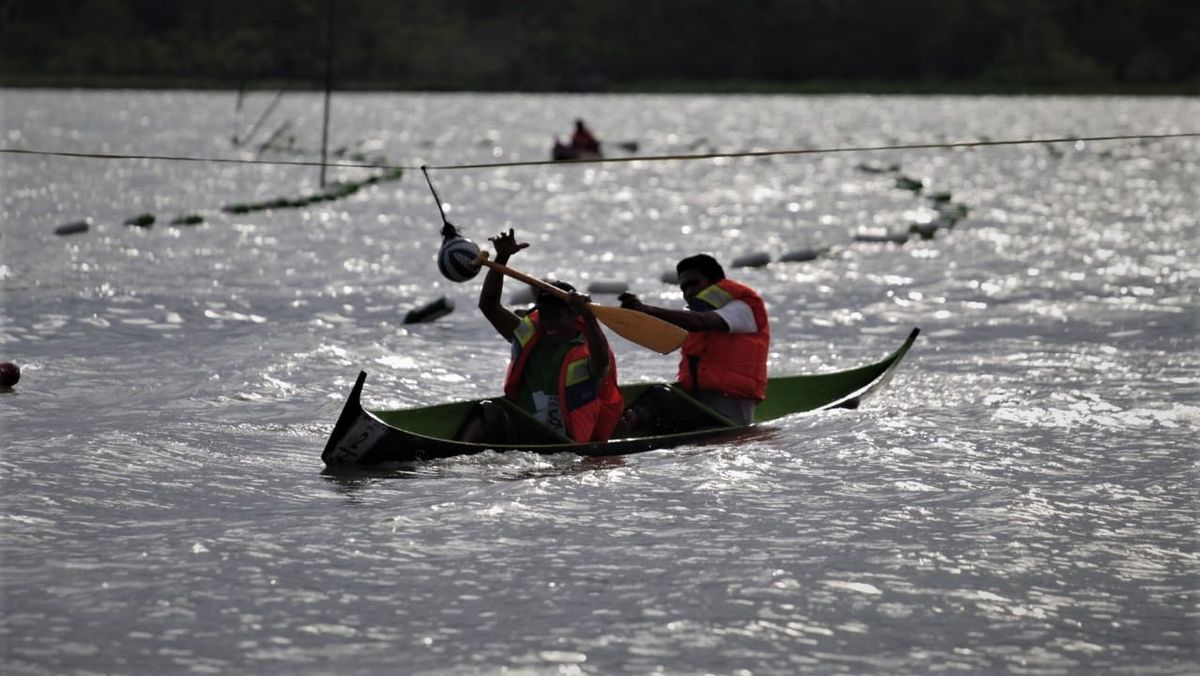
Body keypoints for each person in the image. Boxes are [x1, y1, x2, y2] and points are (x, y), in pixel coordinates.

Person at [458, 228, 623, 444]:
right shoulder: (531, 334)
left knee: (491, 411)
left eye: (555, 316)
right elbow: (488, 305)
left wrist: (589, 316)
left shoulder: (589, 349)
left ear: (574, 315)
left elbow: (602, 362)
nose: (548, 323)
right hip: (524, 428)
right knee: (488, 409)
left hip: (562, 441)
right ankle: (458, 451)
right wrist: (502, 257)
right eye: (543, 315)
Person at [617, 254, 769, 433]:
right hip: (700, 407)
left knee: (659, 396)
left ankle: (621, 429)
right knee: (651, 403)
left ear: (715, 283)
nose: (688, 293)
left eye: (694, 284)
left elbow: (700, 322)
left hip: (727, 417)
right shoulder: (690, 318)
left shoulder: (742, 308)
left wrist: (646, 310)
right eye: (683, 288)